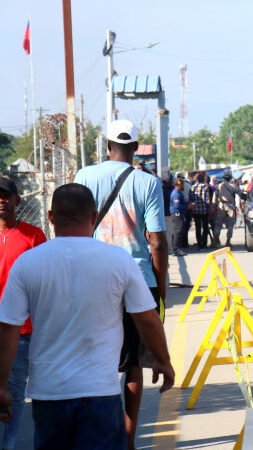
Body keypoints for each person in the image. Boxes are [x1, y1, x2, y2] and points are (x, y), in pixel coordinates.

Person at [0, 183, 174, 450]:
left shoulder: (28, 263)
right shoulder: (119, 261)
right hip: (100, 394)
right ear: (94, 217)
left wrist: (2, 386)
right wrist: (163, 361)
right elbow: (147, 318)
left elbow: (8, 329)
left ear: (51, 217)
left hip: (49, 395)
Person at [74, 119, 168, 450]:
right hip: (136, 279)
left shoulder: (84, 176)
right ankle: (127, 440)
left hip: (92, 277)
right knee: (132, 367)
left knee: (95, 360)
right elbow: (156, 240)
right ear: (135, 148)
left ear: (107, 144)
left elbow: (75, 224)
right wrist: (161, 286)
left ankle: (97, 434)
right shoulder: (147, 183)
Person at [0, 177, 46, 450]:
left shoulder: (33, 235)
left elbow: (46, 282)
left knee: (16, 395)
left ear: (18, 200)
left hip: (22, 331)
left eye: (6, 195)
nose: (1, 201)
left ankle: (10, 445)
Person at [214, 169, 246, 247]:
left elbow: (215, 197)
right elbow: (242, 195)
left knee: (218, 225)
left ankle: (216, 240)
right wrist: (247, 196)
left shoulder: (218, 186)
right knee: (230, 225)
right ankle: (228, 241)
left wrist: (215, 206)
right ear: (230, 177)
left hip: (221, 206)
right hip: (230, 207)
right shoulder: (233, 186)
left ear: (223, 177)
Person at [189, 172, 211, 249]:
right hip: (204, 211)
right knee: (205, 228)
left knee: (197, 228)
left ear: (196, 179)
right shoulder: (206, 186)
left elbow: (191, 200)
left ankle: (199, 244)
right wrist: (208, 208)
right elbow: (208, 199)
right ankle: (204, 244)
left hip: (196, 211)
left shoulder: (192, 187)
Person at [169, 178, 188, 256]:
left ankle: (176, 248)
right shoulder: (176, 193)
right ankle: (176, 249)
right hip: (177, 213)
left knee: (179, 231)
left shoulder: (178, 192)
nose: (183, 186)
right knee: (178, 231)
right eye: (182, 184)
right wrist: (187, 206)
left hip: (178, 213)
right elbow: (177, 206)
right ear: (178, 184)